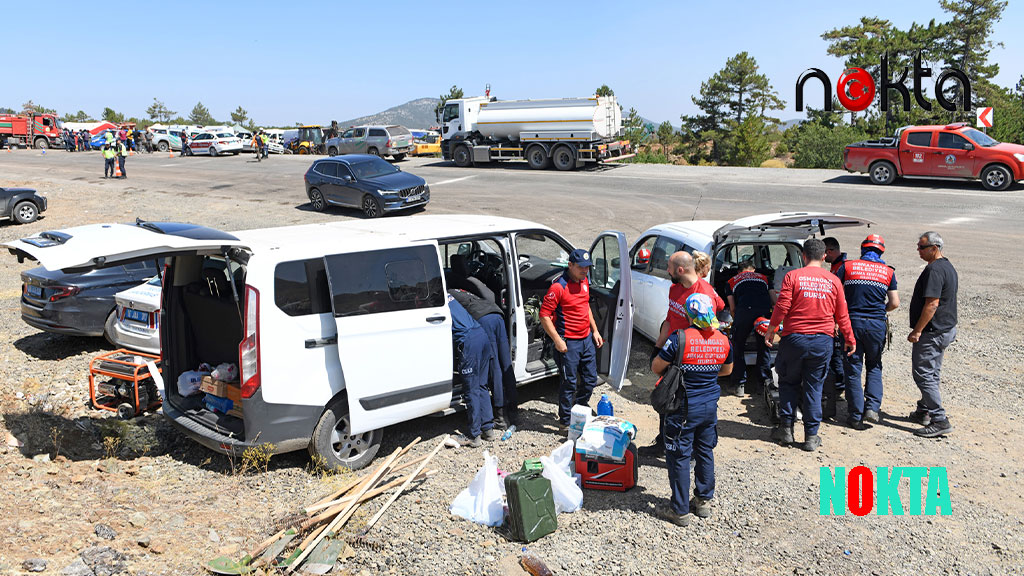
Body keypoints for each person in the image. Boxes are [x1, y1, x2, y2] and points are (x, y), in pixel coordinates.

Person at [765, 238, 855, 452]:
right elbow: (842, 315)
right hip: (822, 342)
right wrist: (850, 339)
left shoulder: (792, 276)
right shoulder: (833, 280)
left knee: (787, 383)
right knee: (814, 387)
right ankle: (811, 437)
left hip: (794, 338)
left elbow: (782, 306)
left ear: (803, 256)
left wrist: (771, 329)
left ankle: (786, 430)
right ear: (824, 256)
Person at [651, 293, 733, 527]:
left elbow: (657, 366)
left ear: (689, 313)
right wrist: (704, 372)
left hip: (683, 407)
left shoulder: (679, 338)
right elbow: (727, 371)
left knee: (679, 456)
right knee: (705, 451)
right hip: (709, 405)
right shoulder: (724, 339)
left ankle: (679, 510)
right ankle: (703, 501)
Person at [641, 251, 725, 456]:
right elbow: (669, 320)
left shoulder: (704, 294)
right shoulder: (674, 289)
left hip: (691, 356)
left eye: (669, 268)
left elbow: (709, 328)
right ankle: (663, 441)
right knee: (665, 396)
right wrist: (658, 348)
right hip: (672, 351)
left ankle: (692, 451)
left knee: (686, 404)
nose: (667, 271)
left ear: (680, 270)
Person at [835, 234, 899, 428]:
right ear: (882, 251)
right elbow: (895, 303)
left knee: (853, 369)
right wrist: (881, 311)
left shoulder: (847, 267)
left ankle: (855, 416)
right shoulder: (888, 272)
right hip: (876, 325)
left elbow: (835, 295)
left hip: (851, 323)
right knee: (874, 365)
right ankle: (871, 409)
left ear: (862, 249)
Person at [539, 248, 604, 432]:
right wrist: (557, 341)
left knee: (591, 379)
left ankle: (580, 408)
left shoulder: (584, 282)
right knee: (568, 383)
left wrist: (595, 330)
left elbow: (585, 307)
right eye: (581, 267)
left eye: (588, 267)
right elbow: (544, 315)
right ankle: (565, 422)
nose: (585, 271)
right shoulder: (558, 287)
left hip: (586, 340)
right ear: (570, 265)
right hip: (569, 342)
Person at [908, 231, 958, 438]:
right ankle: (924, 410)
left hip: (932, 331)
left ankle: (939, 419)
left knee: (923, 374)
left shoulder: (935, 270)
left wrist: (917, 330)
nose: (918, 250)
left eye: (921, 247)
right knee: (933, 372)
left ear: (934, 248)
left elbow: (932, 304)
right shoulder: (947, 266)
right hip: (945, 328)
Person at [449, 289, 518, 428]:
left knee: (495, 369)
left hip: (483, 320)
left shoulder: (443, 295)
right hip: (496, 314)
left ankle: (500, 415)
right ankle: (514, 411)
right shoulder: (457, 290)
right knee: (506, 364)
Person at [448, 294, 497, 447]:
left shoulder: (434, 300)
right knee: (482, 385)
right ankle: (488, 430)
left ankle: (474, 435)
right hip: (481, 335)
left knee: (471, 390)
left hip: (469, 342)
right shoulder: (449, 296)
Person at [725, 259, 773, 396]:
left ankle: (739, 384)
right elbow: (774, 300)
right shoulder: (764, 278)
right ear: (754, 270)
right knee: (764, 347)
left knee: (738, 346)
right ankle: (763, 384)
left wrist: (737, 322)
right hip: (764, 312)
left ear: (739, 271)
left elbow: (732, 307)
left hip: (744, 311)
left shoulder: (732, 280)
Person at [821, 236, 847, 420]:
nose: (823, 258)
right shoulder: (838, 266)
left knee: (836, 356)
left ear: (829, 251)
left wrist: (837, 322)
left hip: (838, 320)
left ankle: (838, 386)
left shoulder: (842, 268)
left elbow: (840, 298)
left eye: (824, 253)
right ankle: (838, 386)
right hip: (836, 319)